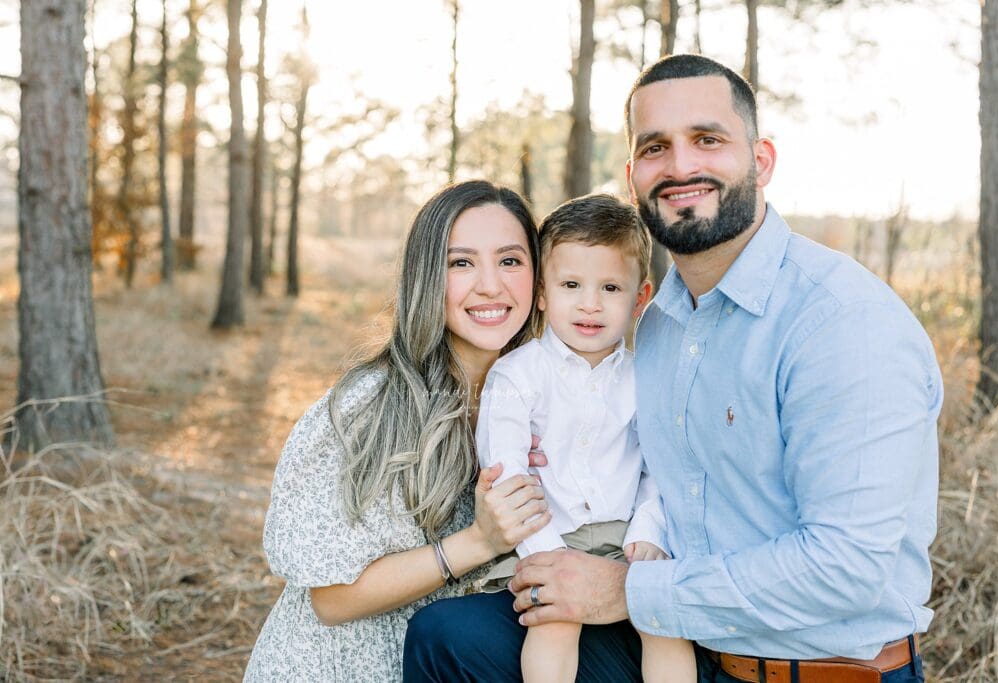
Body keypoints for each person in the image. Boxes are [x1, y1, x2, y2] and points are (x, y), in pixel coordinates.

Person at [404, 55, 942, 683]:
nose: (681, 167)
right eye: (656, 147)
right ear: (633, 178)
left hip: (812, 666)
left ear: (762, 160)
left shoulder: (841, 323)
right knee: (448, 638)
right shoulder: (660, 323)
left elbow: (846, 569)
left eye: (708, 139)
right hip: (691, 644)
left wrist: (629, 590)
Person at [244, 180, 555, 682]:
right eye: (461, 263)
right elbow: (331, 599)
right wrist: (480, 541)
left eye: (510, 260)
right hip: (343, 667)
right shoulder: (370, 407)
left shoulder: (538, 402)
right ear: (425, 277)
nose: (490, 285)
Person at [474, 194, 696, 682]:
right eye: (571, 285)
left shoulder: (644, 378)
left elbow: (658, 469)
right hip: (548, 535)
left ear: (640, 297)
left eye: (611, 287)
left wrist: (647, 532)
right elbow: (506, 473)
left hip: (626, 536)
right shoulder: (517, 375)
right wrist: (547, 550)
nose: (590, 304)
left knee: (666, 622)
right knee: (556, 620)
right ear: (542, 293)